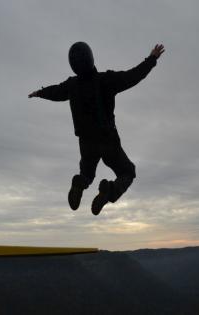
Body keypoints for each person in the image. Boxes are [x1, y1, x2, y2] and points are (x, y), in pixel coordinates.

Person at [28, 42, 164, 215]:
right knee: (127, 172)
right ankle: (109, 191)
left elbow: (55, 92)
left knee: (86, 174)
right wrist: (151, 59)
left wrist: (39, 93)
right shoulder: (105, 80)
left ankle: (80, 182)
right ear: (91, 58)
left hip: (86, 143)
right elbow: (133, 76)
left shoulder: (72, 85)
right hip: (108, 140)